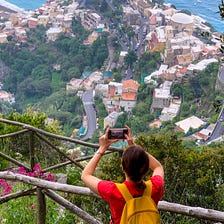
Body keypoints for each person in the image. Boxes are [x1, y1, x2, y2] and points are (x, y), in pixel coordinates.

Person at [81, 126, 164, 224]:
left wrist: (102, 148)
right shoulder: (155, 187)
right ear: (146, 168)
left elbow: (85, 175)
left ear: (123, 168)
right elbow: (158, 167)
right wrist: (134, 147)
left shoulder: (114, 191)